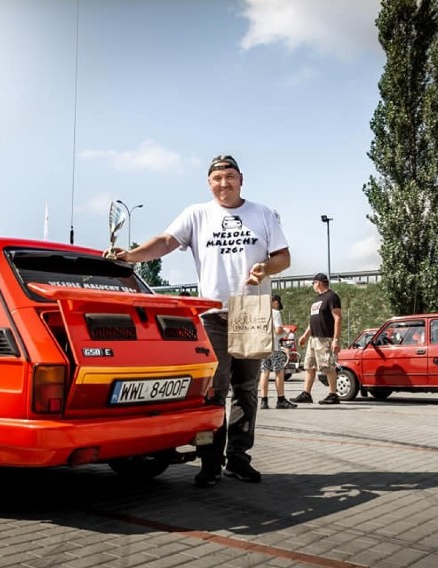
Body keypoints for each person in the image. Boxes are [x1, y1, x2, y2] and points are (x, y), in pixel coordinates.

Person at [111, 154, 290, 487]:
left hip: (251, 311)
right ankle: (210, 461)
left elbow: (284, 256)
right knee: (213, 392)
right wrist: (132, 255)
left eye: (230, 176)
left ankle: (238, 458)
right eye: (217, 178)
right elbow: (166, 242)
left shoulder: (262, 213)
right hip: (210, 314)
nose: (224, 183)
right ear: (209, 183)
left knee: (247, 390)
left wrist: (266, 267)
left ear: (241, 179)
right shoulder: (196, 214)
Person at [292, 273, 342, 404]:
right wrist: (305, 335)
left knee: (328, 366)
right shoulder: (316, 299)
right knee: (309, 366)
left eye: (313, 283)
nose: (313, 286)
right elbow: (313, 320)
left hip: (325, 338)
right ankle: (306, 394)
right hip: (313, 339)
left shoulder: (332, 297)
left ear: (318, 283)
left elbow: (338, 318)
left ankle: (333, 394)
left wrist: (336, 340)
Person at [258, 294, 297, 409]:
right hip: (274, 347)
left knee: (264, 373)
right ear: (274, 302)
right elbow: (278, 330)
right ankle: (281, 399)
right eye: (277, 303)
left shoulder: (260, 313)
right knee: (279, 372)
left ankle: (264, 400)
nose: (278, 305)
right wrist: (287, 331)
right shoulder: (275, 313)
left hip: (263, 347)